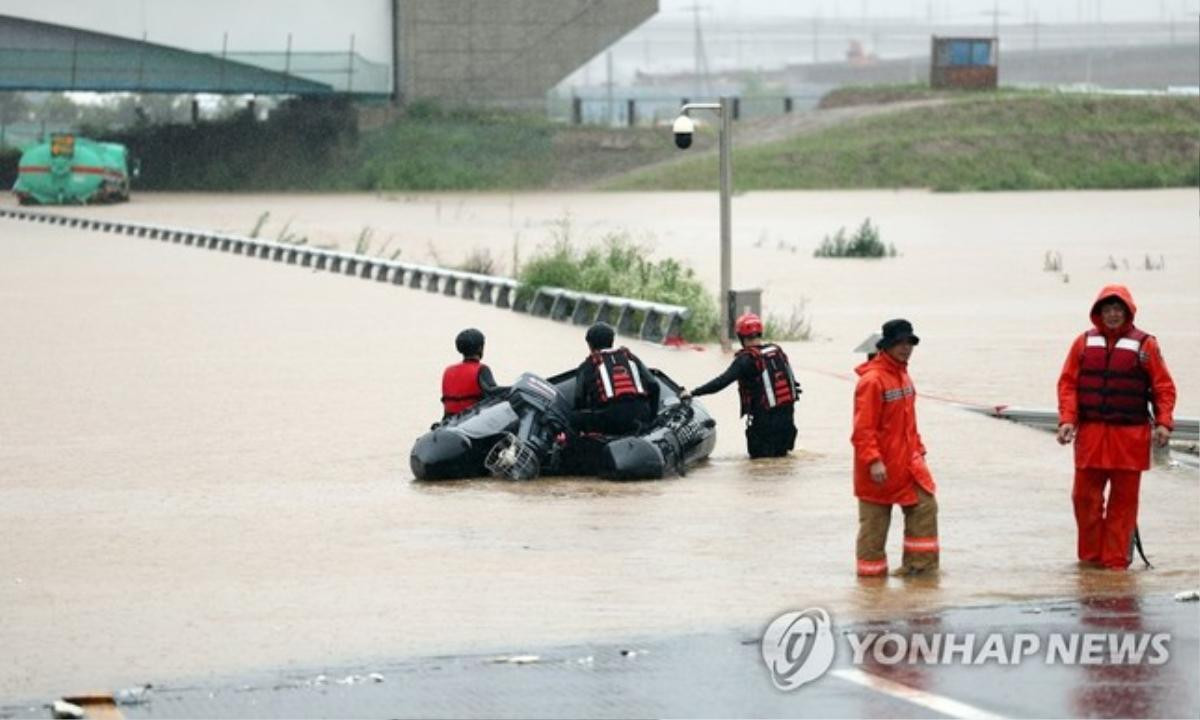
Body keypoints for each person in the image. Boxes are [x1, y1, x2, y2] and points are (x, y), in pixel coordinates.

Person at [1056, 285, 1176, 571]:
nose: (1112, 315)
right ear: (1098, 313)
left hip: (1130, 439)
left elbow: (1164, 387)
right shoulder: (1083, 343)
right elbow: (1068, 384)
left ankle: (1115, 566)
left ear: (1128, 313)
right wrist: (1067, 420)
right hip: (1091, 437)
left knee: (1123, 506)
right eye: (1107, 310)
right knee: (1083, 500)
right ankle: (1090, 564)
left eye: (1117, 310)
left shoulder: (1146, 346)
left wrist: (1164, 423)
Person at [851, 319, 938, 577]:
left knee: (926, 508)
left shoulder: (903, 376)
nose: (905, 348)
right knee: (874, 531)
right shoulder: (872, 381)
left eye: (909, 343)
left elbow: (909, 422)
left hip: (909, 465)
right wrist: (873, 461)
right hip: (878, 469)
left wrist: (920, 452)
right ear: (886, 346)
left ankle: (920, 574)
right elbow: (863, 430)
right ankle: (871, 591)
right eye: (899, 343)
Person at [680, 313, 799, 458]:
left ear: (741, 337)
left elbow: (721, 382)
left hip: (765, 425)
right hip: (787, 422)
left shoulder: (746, 360)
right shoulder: (776, 352)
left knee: (760, 470)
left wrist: (693, 393)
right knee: (780, 466)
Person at [573, 322, 659, 435]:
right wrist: (652, 418)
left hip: (611, 421)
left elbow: (579, 400)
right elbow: (654, 386)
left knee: (574, 417)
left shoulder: (586, 367)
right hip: (641, 414)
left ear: (589, 345)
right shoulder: (630, 357)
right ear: (612, 341)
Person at [440, 328, 497, 419]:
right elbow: (495, 395)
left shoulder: (448, 370)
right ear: (480, 348)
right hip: (472, 422)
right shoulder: (482, 369)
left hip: (449, 421)